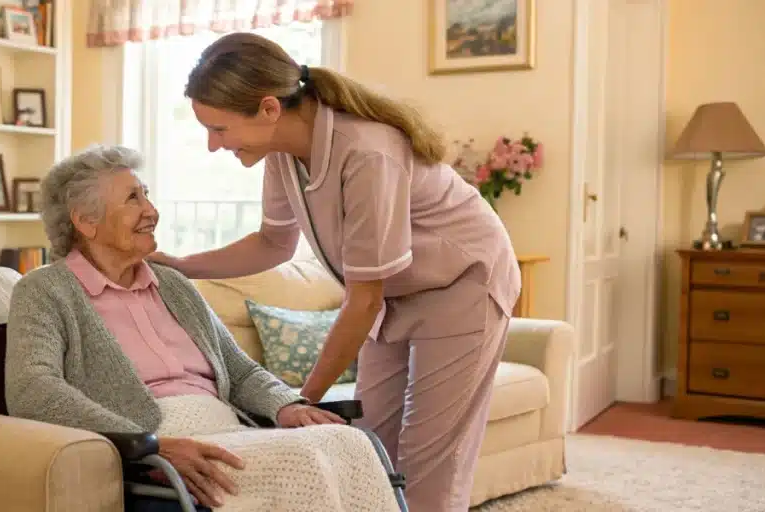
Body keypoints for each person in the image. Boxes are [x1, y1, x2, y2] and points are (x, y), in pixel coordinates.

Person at [148, 32, 522, 511]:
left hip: (463, 285)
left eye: (219, 129)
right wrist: (181, 266)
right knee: (368, 446)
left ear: (267, 108)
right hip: (394, 295)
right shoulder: (282, 150)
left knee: (430, 462)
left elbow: (362, 299)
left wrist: (300, 401)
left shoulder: (367, 151)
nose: (212, 145)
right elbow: (272, 243)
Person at [4, 144, 402, 512]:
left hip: (227, 428)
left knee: (350, 442)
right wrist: (147, 444)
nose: (151, 210)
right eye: (132, 199)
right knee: (301, 460)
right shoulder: (44, 290)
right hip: (154, 441)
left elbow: (239, 369)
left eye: (147, 195)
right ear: (86, 222)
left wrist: (287, 405)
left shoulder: (172, 284)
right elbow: (32, 391)